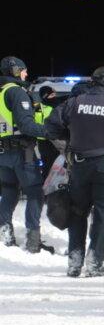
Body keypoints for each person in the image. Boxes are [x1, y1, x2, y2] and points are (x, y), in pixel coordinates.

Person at [45, 66, 104, 277]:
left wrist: (69, 140)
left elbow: (51, 125)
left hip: (79, 165)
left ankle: (75, 261)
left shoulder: (74, 103)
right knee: (103, 215)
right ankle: (95, 261)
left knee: (77, 212)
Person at [0, 56, 48, 252]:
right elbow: (26, 125)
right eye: (24, 70)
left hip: (2, 153)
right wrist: (50, 132)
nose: (26, 74)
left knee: (9, 191)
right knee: (35, 193)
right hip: (22, 152)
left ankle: (5, 234)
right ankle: (33, 241)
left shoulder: (1, 92)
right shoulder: (16, 92)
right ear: (15, 71)